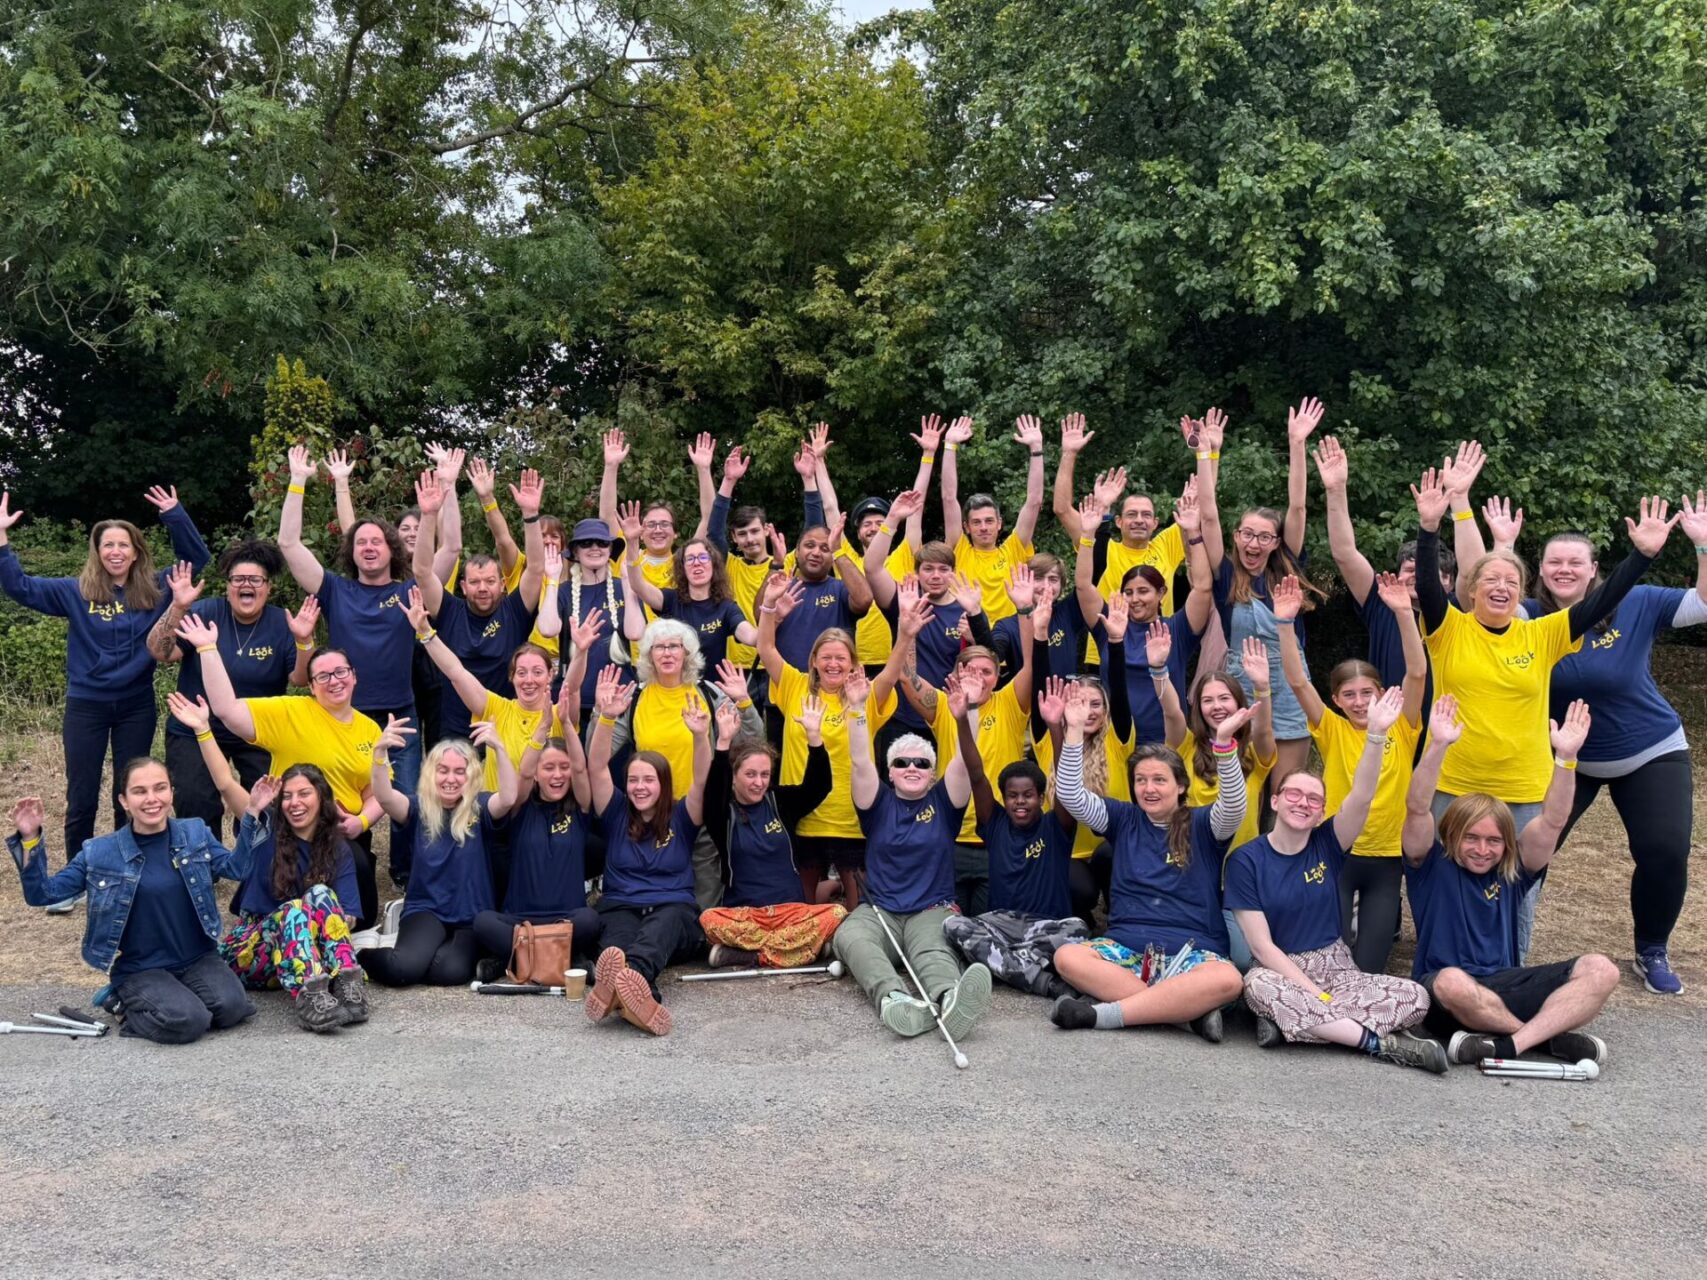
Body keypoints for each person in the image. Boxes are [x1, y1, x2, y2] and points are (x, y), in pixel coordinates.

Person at [1411, 476, 1672, 957]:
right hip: (1454, 779)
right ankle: (1438, 967)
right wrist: (1430, 528)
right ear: (1471, 590)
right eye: (1491, 579)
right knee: (1439, 878)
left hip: (1524, 786)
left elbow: (1602, 599)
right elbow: (1428, 588)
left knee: (1518, 889)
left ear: (1521, 593)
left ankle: (1511, 971)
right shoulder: (1448, 629)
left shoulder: (1544, 634)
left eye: (1512, 581)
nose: (1502, 586)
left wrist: (1642, 556)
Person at [1525, 492, 1707, 994]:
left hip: (1649, 749)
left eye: (1575, 562)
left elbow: (1702, 604)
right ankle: (1502, 940)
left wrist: (1703, 547)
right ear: (1540, 569)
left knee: (1665, 851)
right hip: (1565, 755)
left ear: (1593, 569)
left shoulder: (1638, 600)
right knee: (1528, 849)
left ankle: (1652, 949)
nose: (1564, 569)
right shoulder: (1524, 614)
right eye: (1554, 561)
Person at [0, 485, 210, 908]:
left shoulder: (154, 588)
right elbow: (19, 587)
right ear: (97, 552)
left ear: (135, 552)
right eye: (107, 544)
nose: (115, 551)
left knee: (129, 789)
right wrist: (2, 542)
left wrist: (175, 514)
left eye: (123, 544)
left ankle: (124, 873)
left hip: (135, 705)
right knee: (81, 792)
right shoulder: (75, 590)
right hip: (86, 706)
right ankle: (78, 878)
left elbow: (197, 562)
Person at [1226, 688, 1446, 1072]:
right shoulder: (1246, 860)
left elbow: (1361, 797)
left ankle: (1295, 1026)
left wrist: (1376, 735)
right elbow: (1262, 948)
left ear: (1322, 811)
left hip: (1335, 965)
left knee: (1415, 996)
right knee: (1258, 987)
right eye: (1293, 793)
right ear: (1275, 801)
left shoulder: (1328, 842)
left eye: (1313, 800)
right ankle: (1377, 1043)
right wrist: (1315, 995)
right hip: (1282, 969)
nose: (1302, 803)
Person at [1401, 696, 1619, 1067]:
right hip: (1442, 995)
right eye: (1472, 838)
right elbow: (1418, 806)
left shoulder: (1513, 871)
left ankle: (1508, 1042)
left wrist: (1566, 759)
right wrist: (1437, 745)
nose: (1483, 849)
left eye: (1493, 840)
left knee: (1602, 969)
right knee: (1452, 981)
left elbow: (1552, 820)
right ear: (1452, 835)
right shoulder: (1430, 865)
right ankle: (1543, 1041)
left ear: (1506, 843)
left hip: (1504, 984)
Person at [1047, 685, 1252, 1039]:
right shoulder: (1123, 818)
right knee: (1068, 957)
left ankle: (1102, 1015)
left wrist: (1223, 745)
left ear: (1181, 787)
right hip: (1127, 948)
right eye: (1141, 781)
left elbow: (1234, 804)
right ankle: (1183, 1015)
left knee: (1229, 980)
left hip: (1194, 951)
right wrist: (1075, 731)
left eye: (1159, 779)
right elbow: (1070, 795)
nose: (1149, 788)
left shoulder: (1204, 825)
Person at [7, 761, 259, 1045]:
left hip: (198, 957)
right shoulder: (100, 852)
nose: (152, 799)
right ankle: (121, 1002)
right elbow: (43, 894)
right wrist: (30, 839)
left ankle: (178, 994)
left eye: (160, 788)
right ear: (124, 801)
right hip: (142, 968)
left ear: (171, 793)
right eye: (140, 791)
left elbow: (237, 869)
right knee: (189, 1022)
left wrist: (252, 813)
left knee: (233, 1009)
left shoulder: (195, 833)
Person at [183, 614, 385, 930]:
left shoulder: (371, 729)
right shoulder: (291, 712)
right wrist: (208, 650)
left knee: (361, 915)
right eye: (323, 676)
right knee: (281, 883)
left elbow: (378, 794)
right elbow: (227, 709)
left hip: (342, 834)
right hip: (287, 830)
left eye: (340, 672)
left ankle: (325, 925)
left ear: (354, 676)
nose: (334, 680)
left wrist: (360, 823)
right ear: (311, 685)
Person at [278, 445, 421, 885]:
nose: (369, 547)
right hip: (341, 716)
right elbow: (288, 543)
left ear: (392, 549)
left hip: (399, 713)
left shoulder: (410, 591)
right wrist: (298, 479)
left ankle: (404, 873)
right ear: (351, 551)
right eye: (360, 542)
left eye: (377, 541)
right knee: (332, 798)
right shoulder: (334, 589)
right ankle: (324, 868)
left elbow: (446, 550)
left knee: (406, 799)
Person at [830, 668, 995, 1041]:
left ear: (932, 773)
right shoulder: (876, 802)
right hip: (881, 910)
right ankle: (894, 1000)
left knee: (934, 952)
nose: (912, 768)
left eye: (922, 763)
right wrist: (856, 707)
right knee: (851, 937)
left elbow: (967, 763)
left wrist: (968, 710)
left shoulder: (945, 801)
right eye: (902, 762)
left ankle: (950, 1000)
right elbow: (858, 761)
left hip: (930, 908)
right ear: (890, 771)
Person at [1274, 571, 1425, 974]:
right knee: (1330, 959)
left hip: (1386, 858)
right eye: (1349, 695)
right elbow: (1296, 680)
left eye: (1367, 693)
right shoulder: (1332, 728)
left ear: (1381, 692)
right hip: (1336, 853)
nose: (1360, 703)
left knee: (1370, 965)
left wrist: (1404, 614)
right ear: (1337, 700)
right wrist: (1285, 624)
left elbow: (1417, 673)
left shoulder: (1403, 725)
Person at [1195, 399, 1327, 789]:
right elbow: (1207, 514)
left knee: (1287, 791)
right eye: (1247, 534)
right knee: (1244, 791)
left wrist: (1297, 444)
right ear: (1237, 537)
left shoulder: (1288, 570)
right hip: (1241, 689)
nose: (1254, 542)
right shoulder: (1224, 577)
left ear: (1275, 542)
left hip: (1291, 688)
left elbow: (1298, 506)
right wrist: (1207, 453)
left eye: (1265, 536)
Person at [757, 573, 909, 911]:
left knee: (860, 912)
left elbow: (892, 670)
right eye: (826, 657)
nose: (833, 663)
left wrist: (906, 630)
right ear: (813, 661)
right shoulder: (795, 686)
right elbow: (765, 648)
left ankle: (840, 903)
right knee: (802, 911)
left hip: (850, 815)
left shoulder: (864, 696)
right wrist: (769, 605)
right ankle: (827, 898)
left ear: (854, 663)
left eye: (841, 658)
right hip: (803, 815)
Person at [147, 546, 316, 837]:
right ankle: (203, 869)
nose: (246, 585)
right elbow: (160, 651)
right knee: (195, 801)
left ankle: (254, 863)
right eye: (238, 579)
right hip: (197, 727)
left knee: (267, 802)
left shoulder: (280, 623)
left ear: (268, 587)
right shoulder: (205, 612)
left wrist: (304, 641)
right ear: (227, 587)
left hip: (257, 730)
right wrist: (177, 607)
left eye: (255, 579)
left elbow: (300, 679)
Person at [582, 666, 714, 1037]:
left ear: (664, 783)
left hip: (675, 914)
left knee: (663, 925)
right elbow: (596, 767)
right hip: (621, 906)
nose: (639, 787)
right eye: (633, 780)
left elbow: (703, 777)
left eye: (648, 780)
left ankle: (626, 983)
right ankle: (639, 994)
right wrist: (606, 719)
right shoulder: (615, 814)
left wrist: (701, 737)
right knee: (618, 944)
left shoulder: (684, 816)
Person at [601, 618, 762, 909]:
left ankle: (702, 942)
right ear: (648, 655)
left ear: (687, 653)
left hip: (702, 809)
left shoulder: (710, 693)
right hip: (653, 815)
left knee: (704, 898)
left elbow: (753, 741)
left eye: (674, 646)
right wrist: (604, 715)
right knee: (662, 895)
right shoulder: (636, 697)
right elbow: (597, 754)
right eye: (658, 647)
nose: (666, 653)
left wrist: (744, 702)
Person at [905, 566, 1039, 915]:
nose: (978, 677)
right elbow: (906, 678)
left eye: (987, 671)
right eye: (970, 670)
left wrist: (1025, 611)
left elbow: (1030, 667)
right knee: (948, 926)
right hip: (948, 835)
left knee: (990, 922)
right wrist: (906, 630)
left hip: (998, 834)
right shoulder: (944, 703)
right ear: (956, 674)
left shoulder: (1010, 702)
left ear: (997, 677)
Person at [942, 684, 1088, 999]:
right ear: (1004, 799)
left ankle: (1006, 965)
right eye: (1012, 796)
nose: (1020, 802)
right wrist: (962, 720)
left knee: (1078, 930)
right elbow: (976, 774)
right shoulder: (994, 824)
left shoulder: (1057, 826)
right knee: (954, 926)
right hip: (1002, 925)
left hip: (1047, 927)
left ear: (1041, 797)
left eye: (1028, 796)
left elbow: (1066, 782)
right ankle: (1044, 981)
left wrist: (1055, 728)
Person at [358, 718, 516, 988]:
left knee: (449, 973)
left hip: (471, 916)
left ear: (471, 776)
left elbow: (510, 798)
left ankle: (442, 952)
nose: (450, 779)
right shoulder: (418, 808)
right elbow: (384, 798)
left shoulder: (481, 806)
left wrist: (500, 749)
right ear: (432, 773)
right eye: (443, 770)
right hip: (426, 909)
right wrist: (380, 755)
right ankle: (357, 955)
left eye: (459, 771)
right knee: (403, 969)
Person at [219, 763, 370, 1033]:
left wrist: (325, 918)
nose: (294, 803)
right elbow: (224, 784)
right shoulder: (266, 834)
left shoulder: (337, 848)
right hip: (250, 953)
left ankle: (347, 984)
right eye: (287, 796)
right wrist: (254, 807)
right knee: (295, 909)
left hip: (305, 957)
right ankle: (310, 997)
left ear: (321, 798)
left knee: (321, 894)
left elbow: (348, 918)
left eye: (303, 794)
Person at [698, 698, 846, 969]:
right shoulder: (723, 815)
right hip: (745, 916)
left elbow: (819, 786)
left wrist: (815, 737)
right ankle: (799, 951)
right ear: (734, 776)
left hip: (791, 913)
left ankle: (752, 956)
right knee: (708, 919)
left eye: (765, 774)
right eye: (750, 774)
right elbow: (712, 796)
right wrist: (723, 744)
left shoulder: (780, 802)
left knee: (836, 912)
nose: (759, 782)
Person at [1314, 435, 1459, 701]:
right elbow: (1344, 553)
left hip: (1447, 729)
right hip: (1391, 728)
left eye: (1426, 572)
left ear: (1449, 582)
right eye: (1408, 570)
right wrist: (1335, 490)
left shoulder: (1458, 612)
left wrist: (1460, 502)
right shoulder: (1381, 604)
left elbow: (1479, 572)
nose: (1416, 577)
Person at [410, 467, 547, 742]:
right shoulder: (448, 610)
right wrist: (427, 516)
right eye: (474, 582)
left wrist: (531, 516)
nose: (482, 588)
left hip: (506, 727)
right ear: (463, 586)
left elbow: (535, 568)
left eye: (489, 581)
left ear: (502, 583)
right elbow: (423, 571)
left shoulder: (515, 611)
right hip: (455, 731)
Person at [1075, 482, 1215, 744]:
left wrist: (1194, 532)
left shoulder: (1177, 630)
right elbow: (1084, 585)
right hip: (1115, 743)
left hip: (1167, 741)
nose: (1135, 599)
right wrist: (1088, 534)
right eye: (1129, 592)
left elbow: (1204, 587)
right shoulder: (1109, 628)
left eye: (1144, 591)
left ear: (1162, 593)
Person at [471, 719, 605, 976]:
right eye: (549, 767)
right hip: (519, 920)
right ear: (536, 773)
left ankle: (516, 959)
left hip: (567, 919)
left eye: (563, 767)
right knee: (483, 922)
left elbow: (580, 768)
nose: (557, 775)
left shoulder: (580, 808)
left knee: (590, 921)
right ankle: (563, 958)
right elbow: (522, 773)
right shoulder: (520, 808)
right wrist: (542, 728)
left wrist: (565, 723)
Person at [1052, 413, 1189, 618]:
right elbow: (1061, 509)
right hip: (1106, 647)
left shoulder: (1166, 547)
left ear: (1155, 523)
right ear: (1118, 521)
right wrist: (1069, 453)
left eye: (1146, 515)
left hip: (1157, 645)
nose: (1139, 520)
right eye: (1132, 514)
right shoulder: (1101, 547)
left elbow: (1204, 511)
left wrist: (1206, 454)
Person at [940, 414, 1045, 623]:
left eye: (989, 521)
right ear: (966, 527)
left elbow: (1034, 502)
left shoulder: (1014, 549)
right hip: (969, 641)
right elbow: (949, 498)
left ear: (999, 524)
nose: (984, 527)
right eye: (976, 522)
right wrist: (950, 446)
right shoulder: (959, 549)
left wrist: (1036, 449)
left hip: (1009, 642)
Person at [619, 517, 756, 672]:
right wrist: (631, 543)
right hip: (675, 691)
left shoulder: (726, 608)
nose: (696, 563)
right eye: (689, 559)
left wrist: (771, 613)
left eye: (703, 557)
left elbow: (751, 637)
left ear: (714, 564)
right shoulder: (671, 600)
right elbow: (638, 585)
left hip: (711, 693)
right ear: (682, 568)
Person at [533, 517, 633, 714]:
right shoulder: (563, 591)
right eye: (586, 543)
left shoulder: (624, 587)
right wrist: (552, 579)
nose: (595, 548)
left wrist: (630, 585)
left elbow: (637, 632)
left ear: (610, 549)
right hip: (574, 698)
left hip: (619, 697)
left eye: (602, 542)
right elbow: (547, 629)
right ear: (576, 552)